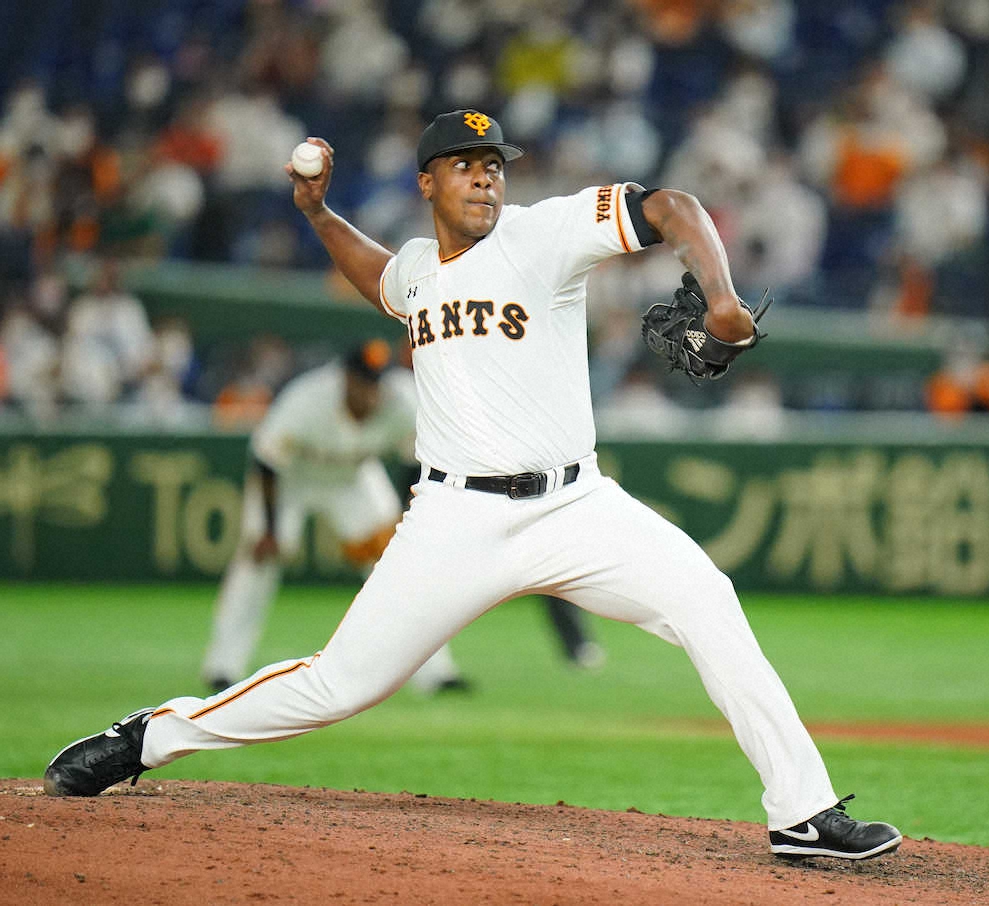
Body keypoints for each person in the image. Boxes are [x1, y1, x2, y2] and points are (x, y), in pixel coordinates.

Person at [44, 109, 901, 861]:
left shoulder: (546, 233)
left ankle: (802, 813)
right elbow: (380, 277)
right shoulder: (419, 266)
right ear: (428, 182)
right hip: (454, 519)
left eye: (494, 165)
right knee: (338, 685)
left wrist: (722, 296)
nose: (487, 177)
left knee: (707, 599)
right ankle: (148, 738)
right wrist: (317, 213)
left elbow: (675, 207)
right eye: (466, 165)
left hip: (576, 506)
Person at [202, 337, 603, 695]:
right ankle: (222, 666)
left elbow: (418, 463)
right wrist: (270, 529)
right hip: (292, 481)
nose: (371, 391)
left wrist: (403, 520)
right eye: (364, 381)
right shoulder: (308, 399)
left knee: (404, 564)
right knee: (257, 563)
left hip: (352, 478)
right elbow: (267, 460)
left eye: (376, 381)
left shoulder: (401, 399)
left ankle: (435, 674)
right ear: (345, 378)